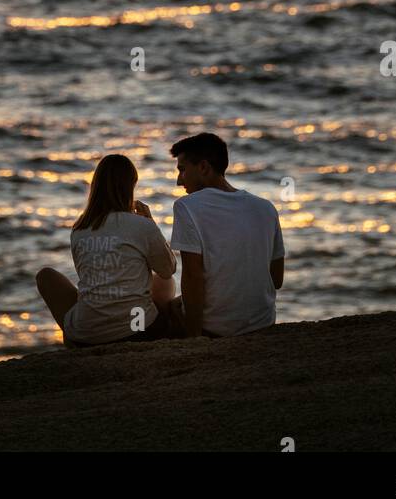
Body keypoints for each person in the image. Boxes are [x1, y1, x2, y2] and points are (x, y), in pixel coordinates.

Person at [36, 153, 177, 347]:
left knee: (46, 276)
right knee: (165, 279)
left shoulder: (80, 228)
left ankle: (81, 333)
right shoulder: (141, 225)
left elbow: (89, 276)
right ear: (129, 188)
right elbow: (168, 269)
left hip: (86, 337)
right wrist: (150, 223)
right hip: (137, 331)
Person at [167, 131, 285, 337]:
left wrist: (194, 340)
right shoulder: (266, 207)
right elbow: (276, 279)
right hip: (263, 323)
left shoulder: (187, 206)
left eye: (182, 170)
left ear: (203, 167)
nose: (179, 180)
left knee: (164, 309)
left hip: (217, 329)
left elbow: (193, 279)